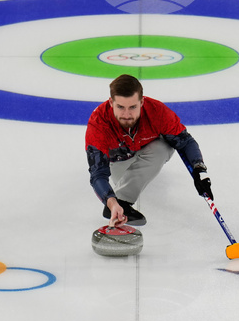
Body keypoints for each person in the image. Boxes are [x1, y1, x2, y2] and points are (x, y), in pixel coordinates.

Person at [86, 74, 212, 227]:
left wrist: (199, 169)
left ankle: (123, 200)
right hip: (118, 163)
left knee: (164, 146)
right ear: (111, 103)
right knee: (112, 184)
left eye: (133, 107)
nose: (127, 115)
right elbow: (98, 173)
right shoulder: (99, 122)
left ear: (142, 102)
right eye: (120, 107)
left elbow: (185, 141)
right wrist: (111, 202)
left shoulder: (157, 112)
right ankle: (119, 202)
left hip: (146, 152)